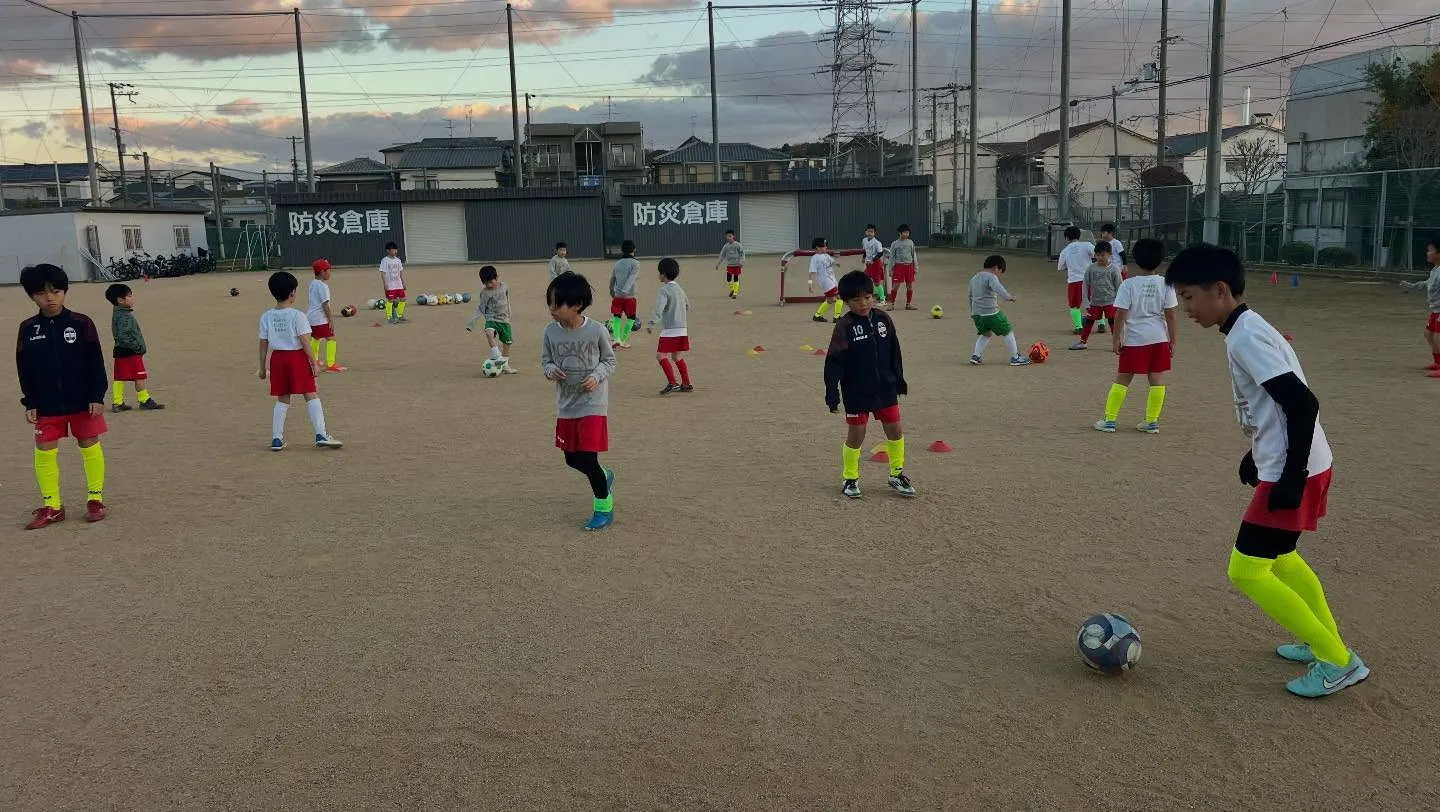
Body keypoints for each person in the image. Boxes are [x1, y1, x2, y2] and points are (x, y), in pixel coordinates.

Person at [1167, 243, 1367, 698]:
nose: (1186, 308)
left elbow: (1302, 402)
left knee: (1247, 570)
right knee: (1281, 557)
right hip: (1296, 460)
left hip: (1295, 467)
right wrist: (1256, 453)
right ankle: (1323, 639)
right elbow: (1274, 405)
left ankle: (1338, 660)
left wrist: (1290, 475)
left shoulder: (1245, 336)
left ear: (1220, 290)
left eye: (1189, 297)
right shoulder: (1248, 327)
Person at [17, 264, 110, 529]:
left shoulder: (81, 323)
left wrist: (97, 395)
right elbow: (24, 368)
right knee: (44, 452)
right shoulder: (28, 329)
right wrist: (30, 401)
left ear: (64, 291)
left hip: (83, 401)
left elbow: (95, 361)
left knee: (89, 445)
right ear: (32, 296)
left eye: (56, 291)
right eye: (42, 293)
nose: (50, 298)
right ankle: (52, 505)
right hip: (46, 404)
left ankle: (95, 499)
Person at [825, 269, 915, 499]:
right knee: (856, 434)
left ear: (873, 295)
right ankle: (850, 478)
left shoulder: (884, 318)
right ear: (846, 302)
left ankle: (896, 474)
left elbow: (895, 351)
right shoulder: (845, 326)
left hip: (885, 387)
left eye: (867, 297)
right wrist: (832, 392)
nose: (863, 303)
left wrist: (899, 379)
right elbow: (834, 361)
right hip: (856, 390)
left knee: (895, 429)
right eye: (855, 300)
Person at [542, 272, 618, 531]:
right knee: (571, 459)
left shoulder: (596, 330)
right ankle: (605, 477)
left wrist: (597, 376)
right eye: (549, 303)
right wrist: (551, 370)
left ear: (576, 305)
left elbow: (609, 361)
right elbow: (546, 360)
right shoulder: (550, 332)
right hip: (567, 404)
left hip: (593, 403)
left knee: (588, 458)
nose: (551, 309)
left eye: (557, 304)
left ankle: (603, 508)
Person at [1094, 238, 1177, 434]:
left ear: (1136, 260)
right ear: (1160, 260)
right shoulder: (1166, 283)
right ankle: (1152, 421)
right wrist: (1172, 340)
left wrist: (1116, 339)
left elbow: (1120, 314)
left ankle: (1110, 420)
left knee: (1123, 377)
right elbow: (1171, 314)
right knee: (1156, 378)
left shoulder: (1129, 284)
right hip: (1159, 338)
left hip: (1135, 339)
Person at [258, 271, 343, 452]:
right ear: (292, 294)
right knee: (310, 393)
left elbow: (263, 344)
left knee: (282, 399)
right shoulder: (298, 316)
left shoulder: (266, 316)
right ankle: (321, 434)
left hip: (278, 360)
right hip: (296, 358)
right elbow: (305, 341)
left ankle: (277, 438)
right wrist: (314, 363)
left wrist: (262, 368)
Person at [105, 282, 165, 412]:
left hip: (119, 351)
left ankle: (117, 402)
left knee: (120, 377)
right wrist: (137, 347)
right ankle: (144, 400)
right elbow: (123, 335)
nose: (132, 299)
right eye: (130, 296)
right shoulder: (125, 316)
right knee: (140, 376)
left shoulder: (117, 314)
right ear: (120, 300)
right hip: (130, 352)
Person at [967, 255, 1031, 367]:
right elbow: (999, 289)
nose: (999, 275)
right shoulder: (991, 277)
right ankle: (1015, 357)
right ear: (996, 268)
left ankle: (976, 356)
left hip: (977, 314)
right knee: (1008, 330)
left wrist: (972, 312)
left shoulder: (974, 278)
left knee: (985, 334)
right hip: (991, 313)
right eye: (1000, 272)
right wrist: (1009, 297)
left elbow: (970, 295)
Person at [647, 257, 693, 394]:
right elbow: (687, 305)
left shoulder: (664, 290)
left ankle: (673, 383)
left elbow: (658, 309)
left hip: (670, 330)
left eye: (659, 272)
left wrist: (651, 323)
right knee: (677, 357)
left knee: (660, 356)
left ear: (663, 274)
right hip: (682, 328)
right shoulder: (679, 288)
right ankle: (687, 383)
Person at [1069, 241, 1123, 351]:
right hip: (1095, 302)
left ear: (1109, 255)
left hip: (1110, 301)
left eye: (1103, 255)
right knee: (1089, 321)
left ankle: (1117, 343)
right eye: (1097, 255)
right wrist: (1085, 301)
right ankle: (1083, 342)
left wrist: (1120, 302)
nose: (1100, 257)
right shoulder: (1091, 268)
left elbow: (1119, 286)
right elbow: (1085, 285)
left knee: (1113, 322)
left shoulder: (1114, 270)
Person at [465, 265, 518, 373]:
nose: (489, 285)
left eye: (491, 282)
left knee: (507, 343)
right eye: (486, 283)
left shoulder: (504, 286)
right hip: (491, 318)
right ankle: (497, 355)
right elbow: (481, 308)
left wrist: (509, 313)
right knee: (489, 333)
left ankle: (505, 366)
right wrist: (471, 323)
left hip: (504, 320)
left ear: (497, 277)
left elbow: (507, 300)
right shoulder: (484, 293)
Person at [1401, 235, 1440, 376]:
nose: (1427, 253)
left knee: (1438, 336)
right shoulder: (1436, 269)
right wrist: (1413, 286)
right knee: (1429, 334)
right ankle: (1438, 362)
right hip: (1436, 310)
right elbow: (1428, 283)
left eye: (1430, 250)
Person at [308, 258, 345, 372]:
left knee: (316, 337)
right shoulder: (323, 286)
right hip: (320, 319)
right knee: (331, 338)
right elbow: (325, 305)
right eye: (328, 270)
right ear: (322, 271)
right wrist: (330, 320)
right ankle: (331, 364)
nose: (330, 273)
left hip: (310, 317)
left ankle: (314, 360)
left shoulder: (313, 283)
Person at [1057, 225, 1095, 335]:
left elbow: (1060, 267)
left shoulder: (1065, 251)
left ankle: (1079, 327)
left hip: (1074, 281)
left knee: (1074, 305)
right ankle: (1101, 324)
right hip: (1089, 279)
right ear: (1079, 236)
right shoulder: (1087, 245)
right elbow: (1096, 254)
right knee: (1093, 303)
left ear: (1066, 238)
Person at [609, 239, 641, 349]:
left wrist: (612, 291)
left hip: (617, 296)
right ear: (634, 249)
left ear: (622, 250)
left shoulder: (617, 263)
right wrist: (625, 290)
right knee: (631, 318)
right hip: (629, 296)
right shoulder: (636, 263)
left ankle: (616, 338)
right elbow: (632, 278)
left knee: (617, 317)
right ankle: (623, 340)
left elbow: (612, 279)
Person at [808, 237, 842, 323]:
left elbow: (832, 262)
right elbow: (811, 272)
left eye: (826, 246)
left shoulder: (826, 255)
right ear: (817, 247)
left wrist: (836, 263)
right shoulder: (815, 258)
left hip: (831, 280)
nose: (826, 247)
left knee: (829, 300)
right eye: (824, 246)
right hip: (826, 281)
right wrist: (810, 285)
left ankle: (817, 316)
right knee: (839, 297)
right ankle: (837, 317)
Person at [887, 224, 919, 311]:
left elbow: (914, 255)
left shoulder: (910, 242)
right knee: (895, 286)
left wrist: (916, 267)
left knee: (910, 286)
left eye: (908, 232)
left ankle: (908, 304)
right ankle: (892, 304)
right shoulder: (895, 244)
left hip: (909, 266)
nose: (906, 234)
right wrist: (890, 269)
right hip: (899, 267)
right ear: (900, 233)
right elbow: (891, 257)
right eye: (905, 232)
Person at [379, 242, 407, 324]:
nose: (395, 251)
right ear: (388, 251)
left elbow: (400, 272)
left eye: (396, 250)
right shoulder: (385, 261)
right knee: (390, 301)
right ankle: (390, 317)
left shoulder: (398, 260)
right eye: (393, 250)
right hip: (390, 285)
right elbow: (383, 273)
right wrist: (385, 284)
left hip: (398, 284)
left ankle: (399, 315)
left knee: (403, 299)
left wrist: (403, 282)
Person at [861, 223, 888, 304]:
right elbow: (865, 250)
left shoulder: (877, 243)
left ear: (874, 233)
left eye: (871, 232)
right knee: (865, 278)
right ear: (865, 232)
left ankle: (883, 300)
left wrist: (873, 260)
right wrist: (863, 257)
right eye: (868, 231)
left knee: (877, 282)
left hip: (876, 264)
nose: (869, 233)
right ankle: (877, 293)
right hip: (868, 264)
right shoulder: (864, 240)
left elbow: (880, 253)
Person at [716, 230, 745, 299]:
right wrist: (718, 263)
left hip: (737, 265)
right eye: (727, 236)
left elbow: (742, 254)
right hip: (729, 265)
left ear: (733, 236)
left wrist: (742, 262)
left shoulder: (738, 245)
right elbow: (722, 255)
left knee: (735, 278)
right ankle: (732, 289)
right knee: (728, 279)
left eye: (730, 236)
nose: (728, 237)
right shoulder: (726, 246)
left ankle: (735, 293)